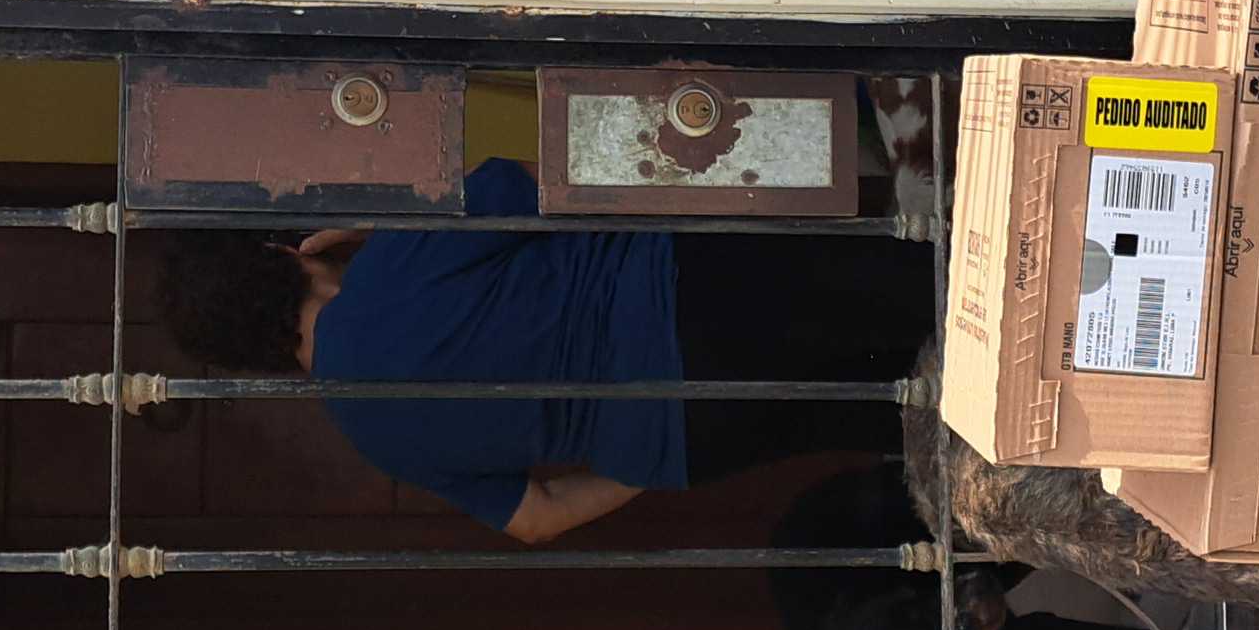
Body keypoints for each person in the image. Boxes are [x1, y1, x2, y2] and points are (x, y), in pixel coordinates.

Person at [152, 157, 933, 541]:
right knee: (922, 291)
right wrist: (375, 223)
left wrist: (642, 448)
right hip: (688, 287)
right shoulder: (394, 257)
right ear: (284, 250)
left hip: (691, 432)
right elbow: (527, 183)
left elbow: (538, 518)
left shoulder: (371, 435)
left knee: (899, 407)